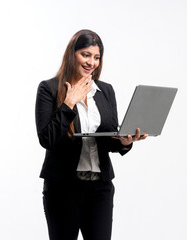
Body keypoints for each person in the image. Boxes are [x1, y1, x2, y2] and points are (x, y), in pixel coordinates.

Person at [35, 29, 147, 240]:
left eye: (96, 57)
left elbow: (109, 139)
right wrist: (70, 101)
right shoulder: (48, 89)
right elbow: (47, 139)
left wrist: (124, 141)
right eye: (85, 55)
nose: (92, 62)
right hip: (63, 188)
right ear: (72, 54)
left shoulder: (105, 91)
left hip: (100, 189)